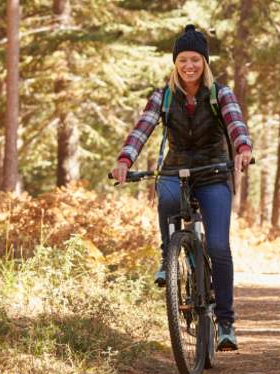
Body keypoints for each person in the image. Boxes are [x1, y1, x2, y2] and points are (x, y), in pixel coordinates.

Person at [111, 24, 253, 351]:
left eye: (195, 60)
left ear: (205, 62)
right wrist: (124, 160)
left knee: (218, 246)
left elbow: (236, 126)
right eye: (183, 60)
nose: (189, 66)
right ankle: (168, 256)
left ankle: (226, 323)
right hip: (176, 168)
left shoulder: (220, 93)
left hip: (213, 170)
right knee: (167, 198)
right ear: (175, 62)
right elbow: (141, 130)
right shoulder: (163, 96)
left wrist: (243, 149)